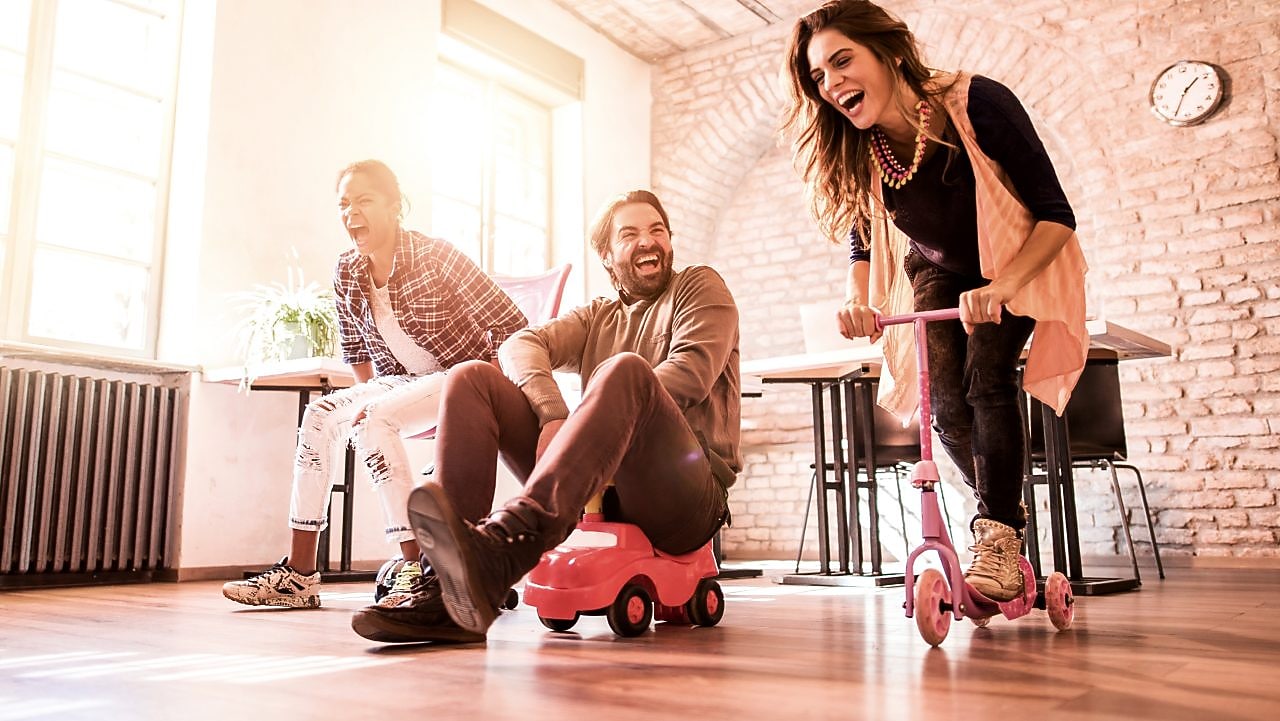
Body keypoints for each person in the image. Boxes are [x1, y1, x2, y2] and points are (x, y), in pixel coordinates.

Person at [781, 0, 1088, 601]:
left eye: (842, 61)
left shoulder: (978, 103)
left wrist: (1001, 287)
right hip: (937, 269)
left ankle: (997, 536)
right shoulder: (863, 147)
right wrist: (857, 298)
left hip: (1013, 258)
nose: (831, 83)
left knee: (986, 380)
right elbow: (862, 235)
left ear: (889, 53)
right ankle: (1004, 517)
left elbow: (1057, 215)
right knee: (944, 407)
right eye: (818, 76)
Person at [349, 189, 740, 643]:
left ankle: (507, 544)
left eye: (657, 231)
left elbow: (691, 374)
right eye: (629, 234)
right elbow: (520, 343)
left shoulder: (699, 287)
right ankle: (447, 595)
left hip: (686, 498)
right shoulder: (599, 315)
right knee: (471, 378)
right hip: (599, 492)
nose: (647, 241)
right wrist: (553, 413)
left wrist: (593, 418)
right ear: (607, 256)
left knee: (625, 372)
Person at [222, 159, 527, 609]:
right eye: (344, 205)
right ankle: (299, 577)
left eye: (363, 201)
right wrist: (365, 401)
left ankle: (414, 571)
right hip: (400, 382)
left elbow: (512, 324)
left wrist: (486, 397)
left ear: (394, 206)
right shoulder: (347, 270)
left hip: (463, 379)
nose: (351, 213)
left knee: (376, 419)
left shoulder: (437, 256)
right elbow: (356, 353)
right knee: (320, 414)